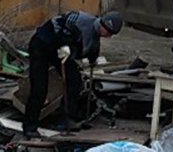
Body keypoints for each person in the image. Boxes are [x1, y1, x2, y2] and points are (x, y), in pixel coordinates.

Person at [23, 10, 123, 138]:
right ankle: (30, 126)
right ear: (102, 25)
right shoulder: (80, 20)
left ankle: (64, 119)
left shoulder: (95, 34)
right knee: (39, 88)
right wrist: (64, 43)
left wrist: (93, 59)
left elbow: (92, 47)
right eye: (108, 32)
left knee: (75, 81)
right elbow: (58, 25)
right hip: (42, 45)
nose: (108, 36)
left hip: (63, 52)